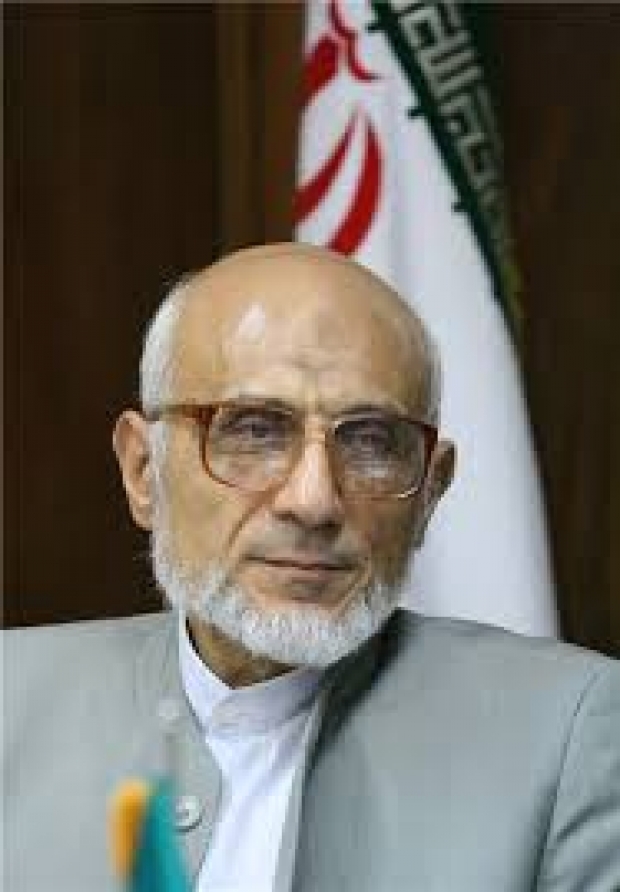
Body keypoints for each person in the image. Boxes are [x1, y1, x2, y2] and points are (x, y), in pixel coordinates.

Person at [3, 243, 619, 892]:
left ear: (430, 494)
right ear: (142, 472)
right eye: (253, 430)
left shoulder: (565, 735)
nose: (314, 500)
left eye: (371, 441)